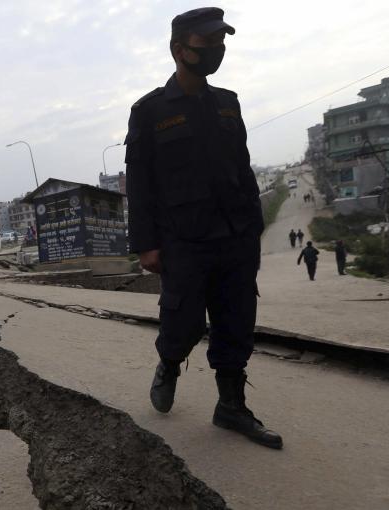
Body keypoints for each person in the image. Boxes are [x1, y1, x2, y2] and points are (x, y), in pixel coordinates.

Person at [125, 7, 281, 449]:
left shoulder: (228, 102)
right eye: (206, 44)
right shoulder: (150, 111)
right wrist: (146, 244)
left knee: (236, 321)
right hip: (184, 239)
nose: (217, 50)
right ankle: (169, 364)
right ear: (180, 50)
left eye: (220, 43)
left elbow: (243, 169)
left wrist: (254, 225)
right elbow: (139, 183)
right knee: (183, 321)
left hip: (234, 236)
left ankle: (230, 407)